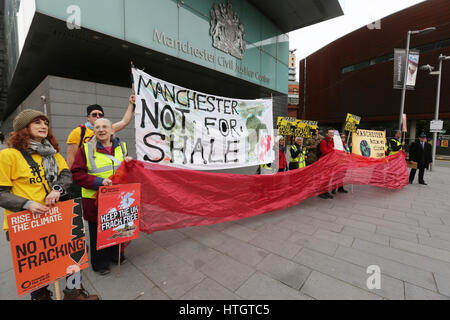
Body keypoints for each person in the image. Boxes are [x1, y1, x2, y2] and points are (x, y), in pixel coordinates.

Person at [0, 109, 98, 300]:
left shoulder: (54, 154)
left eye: (45, 122)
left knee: (76, 253)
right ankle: (41, 296)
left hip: (57, 215)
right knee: (37, 267)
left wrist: (57, 189)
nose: (44, 125)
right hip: (27, 220)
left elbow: (66, 175)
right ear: (24, 128)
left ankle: (73, 292)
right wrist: (27, 204)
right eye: (37, 122)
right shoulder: (8, 156)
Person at [71, 118, 133, 275]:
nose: (101, 129)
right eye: (97, 127)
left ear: (112, 130)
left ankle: (116, 255)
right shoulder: (85, 149)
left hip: (118, 198)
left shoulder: (122, 146)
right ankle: (100, 263)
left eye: (105, 126)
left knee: (119, 224)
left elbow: (125, 170)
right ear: (94, 131)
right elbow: (77, 174)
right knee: (98, 232)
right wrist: (98, 182)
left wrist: (129, 162)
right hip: (94, 199)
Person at [66, 95, 135, 169]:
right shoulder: (78, 132)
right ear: (88, 117)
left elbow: (124, 122)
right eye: (94, 114)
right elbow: (71, 158)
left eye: (100, 115)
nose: (98, 116)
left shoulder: (107, 129)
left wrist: (131, 103)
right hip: (85, 171)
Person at [318, 128, 335, 199]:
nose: (332, 134)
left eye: (332, 133)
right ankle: (321, 192)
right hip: (324, 163)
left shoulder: (333, 141)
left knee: (328, 178)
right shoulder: (323, 141)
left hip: (330, 162)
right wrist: (333, 149)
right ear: (327, 134)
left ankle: (326, 191)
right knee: (324, 178)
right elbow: (324, 152)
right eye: (330, 133)